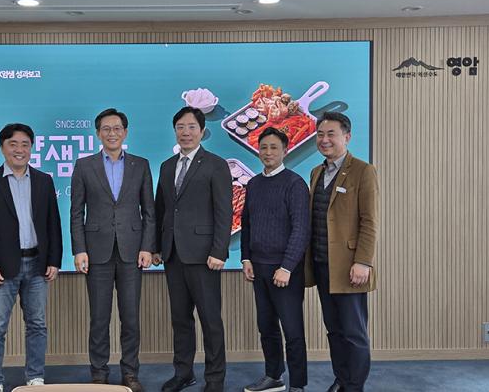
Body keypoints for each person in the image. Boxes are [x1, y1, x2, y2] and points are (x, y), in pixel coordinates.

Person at [0, 123, 63, 392]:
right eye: (13, 144)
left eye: (25, 144)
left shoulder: (44, 180)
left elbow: (53, 224)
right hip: (2, 268)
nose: (19, 149)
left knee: (37, 325)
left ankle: (35, 377)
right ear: (2, 148)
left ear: (31, 148)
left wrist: (54, 260)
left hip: (37, 265)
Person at [70, 108, 155, 392]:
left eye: (117, 128)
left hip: (132, 252)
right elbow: (76, 212)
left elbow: (149, 211)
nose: (112, 133)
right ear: (98, 134)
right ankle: (99, 373)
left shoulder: (141, 165)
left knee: (130, 318)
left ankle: (130, 373)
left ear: (125, 132)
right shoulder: (84, 166)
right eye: (106, 129)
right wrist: (79, 249)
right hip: (97, 253)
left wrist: (147, 246)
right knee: (99, 318)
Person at [153, 107, 233, 392]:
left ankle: (215, 378)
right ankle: (183, 373)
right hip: (173, 254)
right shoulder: (166, 166)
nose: (185, 132)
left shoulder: (215, 164)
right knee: (180, 319)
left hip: (204, 256)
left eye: (191, 127)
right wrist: (156, 247)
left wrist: (219, 251)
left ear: (202, 131)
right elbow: (160, 209)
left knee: (210, 320)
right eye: (180, 127)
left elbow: (224, 212)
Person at [304, 112, 379, 392]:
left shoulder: (363, 171)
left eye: (331, 134)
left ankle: (354, 385)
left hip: (349, 267)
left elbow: (369, 221)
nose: (324, 140)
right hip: (322, 264)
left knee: (353, 332)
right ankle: (342, 378)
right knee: (334, 330)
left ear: (346, 137)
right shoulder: (316, 172)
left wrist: (363, 261)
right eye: (320, 134)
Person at [241, 127, 310, 392]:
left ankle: (298, 385)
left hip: (285, 271)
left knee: (292, 331)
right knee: (266, 327)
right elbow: (247, 224)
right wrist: (246, 258)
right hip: (259, 267)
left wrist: (287, 267)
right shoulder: (254, 184)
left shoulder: (295, 184)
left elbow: (300, 229)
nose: (268, 152)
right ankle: (273, 376)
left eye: (274, 147)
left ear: (285, 151)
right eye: (263, 147)